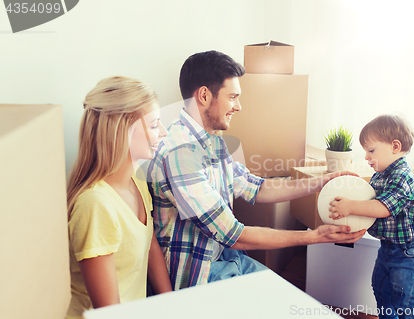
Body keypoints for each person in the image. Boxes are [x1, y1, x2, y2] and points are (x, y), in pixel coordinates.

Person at [147, 50, 365, 291]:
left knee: (288, 299)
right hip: (202, 274)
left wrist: (322, 182)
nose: (238, 106)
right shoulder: (180, 154)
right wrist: (314, 237)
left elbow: (257, 188)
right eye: (232, 97)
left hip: (228, 258)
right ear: (204, 95)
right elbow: (234, 234)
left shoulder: (212, 141)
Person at [66, 76, 172, 319]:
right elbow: (109, 311)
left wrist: (172, 305)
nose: (163, 132)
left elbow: (150, 246)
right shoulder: (95, 205)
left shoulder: (137, 182)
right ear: (124, 130)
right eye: (155, 125)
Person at [329, 114, 414, 319]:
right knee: (382, 292)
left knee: (405, 302)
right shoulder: (382, 173)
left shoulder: (402, 176)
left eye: (371, 151)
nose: (367, 157)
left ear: (395, 146)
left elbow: (382, 208)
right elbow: (370, 197)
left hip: (410, 252)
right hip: (388, 248)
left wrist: (351, 206)